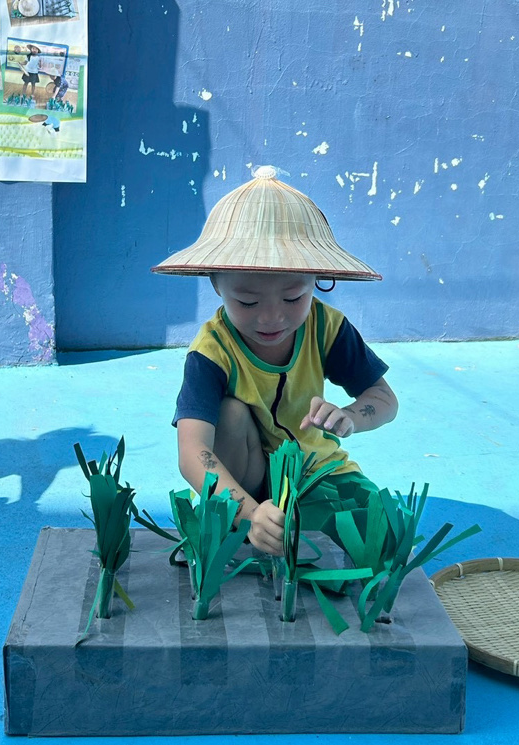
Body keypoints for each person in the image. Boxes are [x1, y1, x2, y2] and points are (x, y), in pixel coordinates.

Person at [152, 166, 398, 556]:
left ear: (317, 280)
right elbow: (192, 452)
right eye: (248, 301)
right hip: (244, 479)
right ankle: (229, 524)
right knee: (230, 413)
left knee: (384, 537)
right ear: (215, 284)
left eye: (293, 298)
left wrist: (350, 416)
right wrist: (250, 515)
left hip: (314, 469)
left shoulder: (327, 327)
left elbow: (383, 399)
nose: (271, 318)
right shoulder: (211, 352)